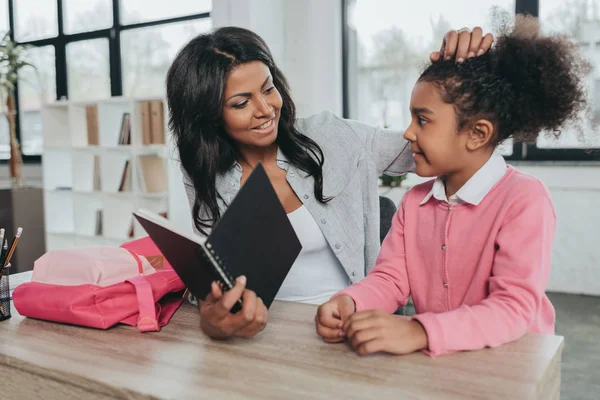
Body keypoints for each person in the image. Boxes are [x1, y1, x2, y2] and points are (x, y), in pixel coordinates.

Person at [166, 25, 493, 340]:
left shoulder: (333, 137)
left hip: (346, 330)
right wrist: (213, 317)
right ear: (208, 115)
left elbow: (442, 147)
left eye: (268, 88)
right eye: (241, 103)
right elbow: (218, 277)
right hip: (263, 339)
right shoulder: (204, 170)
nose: (266, 109)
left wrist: (475, 77)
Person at [315, 15, 590, 357]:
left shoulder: (524, 200)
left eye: (423, 120)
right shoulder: (414, 204)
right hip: (447, 364)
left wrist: (419, 330)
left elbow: (512, 308)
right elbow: (391, 278)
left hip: (514, 368)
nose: (408, 132)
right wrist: (351, 300)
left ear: (477, 134)